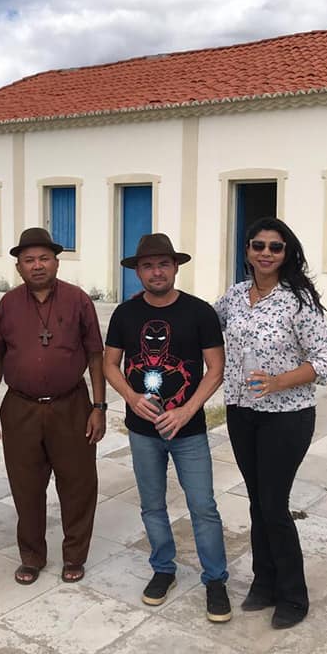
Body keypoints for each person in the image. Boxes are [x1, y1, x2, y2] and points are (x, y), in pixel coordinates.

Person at [214, 216, 327, 630]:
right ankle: (263, 584)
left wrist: (279, 381)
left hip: (287, 417)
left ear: (287, 254)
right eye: (258, 245)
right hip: (240, 412)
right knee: (256, 501)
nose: (266, 253)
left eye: (275, 247)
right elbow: (203, 327)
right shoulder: (233, 297)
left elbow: (324, 360)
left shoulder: (299, 300)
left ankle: (293, 595)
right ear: (247, 251)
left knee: (274, 504)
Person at [104, 233, 232, 623]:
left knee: (203, 507)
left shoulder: (199, 312)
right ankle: (163, 568)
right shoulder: (125, 315)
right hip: (142, 431)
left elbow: (216, 368)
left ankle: (215, 580)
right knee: (152, 505)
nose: (156, 271)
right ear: (137, 271)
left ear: (175, 267)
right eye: (147, 265)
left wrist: (188, 411)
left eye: (163, 264)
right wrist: (131, 397)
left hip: (187, 430)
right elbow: (110, 364)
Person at [0, 227, 106, 585]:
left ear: (56, 262)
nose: (37, 265)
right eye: (28, 260)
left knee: (79, 484)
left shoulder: (79, 300)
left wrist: (98, 406)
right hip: (20, 409)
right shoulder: (7, 304)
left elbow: (97, 356)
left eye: (44, 258)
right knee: (26, 486)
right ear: (19, 267)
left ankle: (74, 557)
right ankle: (32, 556)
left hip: (71, 406)